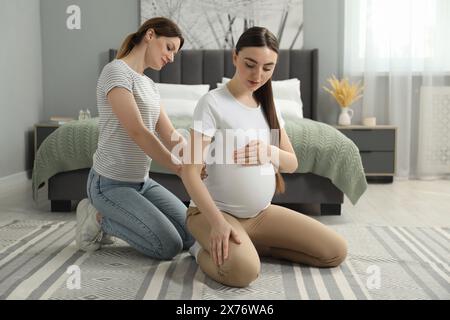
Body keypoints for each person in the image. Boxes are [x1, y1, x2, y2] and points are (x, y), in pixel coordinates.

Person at [180, 27, 348, 287]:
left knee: (335, 251)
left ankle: (255, 247)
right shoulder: (212, 103)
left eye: (268, 68)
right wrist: (217, 224)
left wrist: (267, 152)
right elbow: (189, 172)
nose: (258, 75)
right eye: (250, 64)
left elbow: (291, 164)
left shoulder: (268, 107)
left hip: (260, 216)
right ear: (235, 57)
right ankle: (198, 249)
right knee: (244, 272)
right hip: (213, 214)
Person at [75, 17, 195, 260]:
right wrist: (178, 168)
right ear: (150, 35)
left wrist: (195, 158)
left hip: (142, 182)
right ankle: (98, 218)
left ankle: (122, 215)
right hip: (109, 184)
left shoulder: (149, 85)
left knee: (191, 234)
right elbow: (138, 131)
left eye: (175, 53)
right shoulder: (115, 71)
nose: (172, 57)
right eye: (169, 48)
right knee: (168, 246)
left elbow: (170, 134)